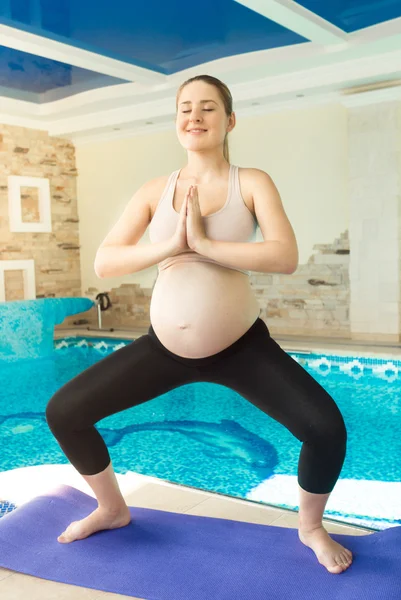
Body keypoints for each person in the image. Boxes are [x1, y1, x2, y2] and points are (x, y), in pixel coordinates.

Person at [46, 74, 353, 574]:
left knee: (326, 429)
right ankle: (111, 508)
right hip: (163, 349)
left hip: (241, 348)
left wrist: (206, 246)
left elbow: (285, 255)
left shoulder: (251, 182)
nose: (195, 116)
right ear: (176, 122)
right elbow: (106, 261)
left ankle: (311, 527)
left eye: (208, 107)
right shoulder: (154, 190)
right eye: (185, 108)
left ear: (229, 120)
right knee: (64, 412)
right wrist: (171, 247)